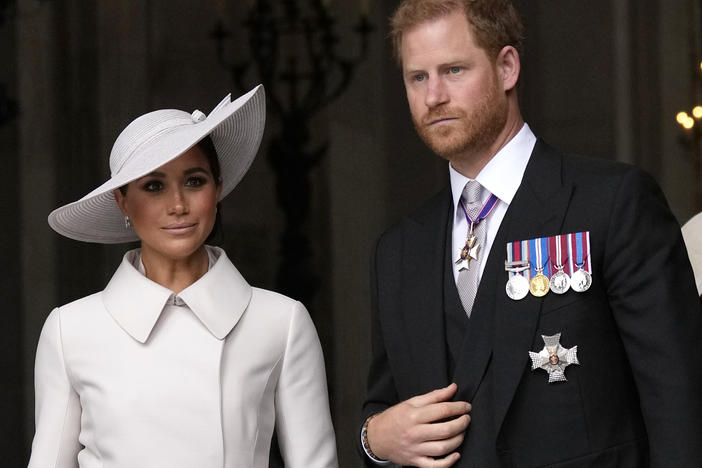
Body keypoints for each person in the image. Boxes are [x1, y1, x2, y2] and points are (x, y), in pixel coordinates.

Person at [359, 1, 702, 467]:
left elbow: (680, 404)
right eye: (417, 77)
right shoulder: (397, 251)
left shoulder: (613, 203)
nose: (433, 95)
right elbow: (385, 410)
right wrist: (373, 440)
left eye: (454, 70)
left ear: (506, 67)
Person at [28, 85, 338, 468]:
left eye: (194, 181)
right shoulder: (69, 331)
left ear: (218, 189)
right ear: (123, 201)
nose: (178, 205)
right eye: (154, 186)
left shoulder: (281, 322)